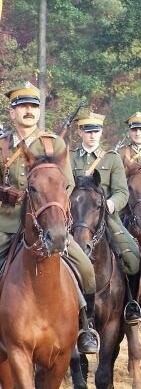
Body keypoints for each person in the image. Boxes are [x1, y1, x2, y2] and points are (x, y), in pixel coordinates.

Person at [0, 81, 99, 354]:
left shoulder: (54, 143)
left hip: (46, 224)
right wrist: (5, 191)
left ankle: (85, 327)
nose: (28, 111)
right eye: (22, 106)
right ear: (12, 113)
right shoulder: (3, 145)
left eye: (33, 106)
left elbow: (66, 185)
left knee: (86, 270)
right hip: (7, 224)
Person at [71, 110, 141, 326]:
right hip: (74, 217)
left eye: (96, 130)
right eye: (87, 130)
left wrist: (112, 203)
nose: (92, 135)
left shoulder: (112, 159)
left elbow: (122, 191)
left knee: (132, 256)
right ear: (80, 132)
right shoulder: (70, 157)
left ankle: (130, 303)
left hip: (105, 217)